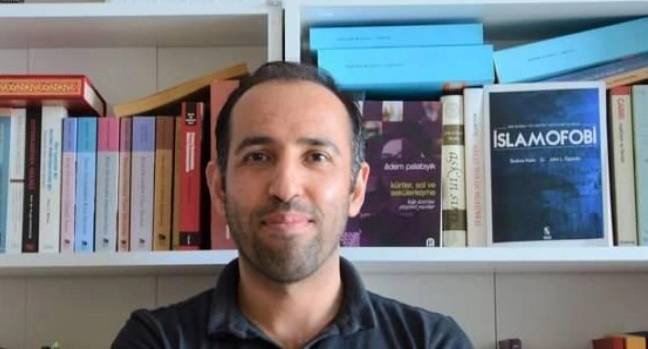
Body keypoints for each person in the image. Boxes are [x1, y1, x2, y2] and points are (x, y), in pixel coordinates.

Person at [112, 61, 473, 348]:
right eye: (258, 156)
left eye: (316, 156)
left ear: (356, 189)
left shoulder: (432, 341)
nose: (285, 189)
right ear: (219, 187)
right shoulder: (155, 340)